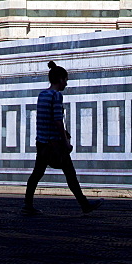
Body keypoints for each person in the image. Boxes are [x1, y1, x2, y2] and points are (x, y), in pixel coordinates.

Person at [23, 60, 103, 216]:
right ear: (60, 79)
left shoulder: (42, 95)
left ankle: (27, 204)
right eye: (65, 80)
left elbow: (46, 119)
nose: (66, 83)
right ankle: (84, 204)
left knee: (37, 173)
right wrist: (65, 142)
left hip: (42, 142)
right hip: (54, 144)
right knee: (70, 173)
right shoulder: (56, 96)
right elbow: (57, 121)